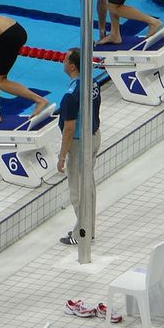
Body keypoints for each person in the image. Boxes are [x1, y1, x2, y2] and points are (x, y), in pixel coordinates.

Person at [56, 47, 102, 246]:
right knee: (88, 185)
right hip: (93, 136)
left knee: (78, 190)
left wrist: (62, 156)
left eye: (65, 60)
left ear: (72, 66)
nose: (62, 63)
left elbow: (69, 128)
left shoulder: (71, 95)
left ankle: (82, 233)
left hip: (79, 143)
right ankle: (87, 229)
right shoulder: (93, 82)